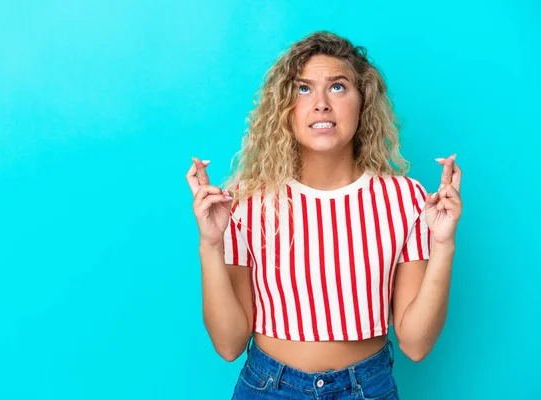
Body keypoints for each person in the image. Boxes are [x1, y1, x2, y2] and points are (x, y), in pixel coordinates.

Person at [186, 31, 462, 400]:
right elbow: (229, 344)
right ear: (283, 107)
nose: (320, 104)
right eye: (303, 89)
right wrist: (210, 244)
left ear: (362, 101)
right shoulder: (245, 202)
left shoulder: (404, 197)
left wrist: (443, 244)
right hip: (269, 387)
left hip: (368, 387)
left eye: (337, 87)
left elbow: (415, 344)